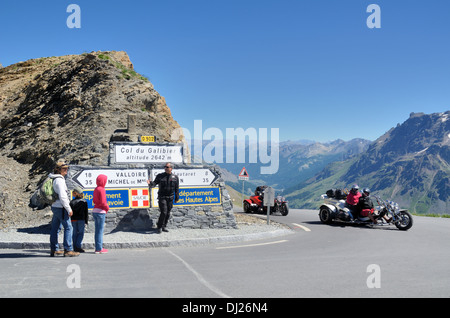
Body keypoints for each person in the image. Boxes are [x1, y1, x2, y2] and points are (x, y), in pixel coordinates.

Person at [49, 161, 79, 257]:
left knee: (55, 228)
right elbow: (63, 196)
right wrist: (69, 209)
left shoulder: (54, 179)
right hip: (61, 207)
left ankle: (54, 249)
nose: (66, 170)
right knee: (68, 227)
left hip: (55, 206)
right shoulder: (60, 180)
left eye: (67, 168)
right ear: (58, 170)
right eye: (64, 169)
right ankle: (68, 249)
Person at [147, 163, 179, 233]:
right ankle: (159, 226)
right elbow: (154, 184)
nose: (165, 168)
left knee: (168, 212)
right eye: (165, 167)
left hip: (170, 197)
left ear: (171, 168)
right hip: (162, 197)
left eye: (167, 167)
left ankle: (164, 226)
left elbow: (177, 188)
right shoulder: (160, 176)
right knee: (164, 212)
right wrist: (150, 183)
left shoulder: (175, 177)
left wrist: (177, 198)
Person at [92, 174, 109, 254]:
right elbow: (103, 202)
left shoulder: (96, 189)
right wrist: (107, 208)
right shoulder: (102, 189)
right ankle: (99, 249)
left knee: (97, 230)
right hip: (100, 211)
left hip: (95, 210)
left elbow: (94, 200)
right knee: (100, 231)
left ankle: (97, 247)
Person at [70, 187, 88, 253]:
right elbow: (86, 213)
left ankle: (74, 246)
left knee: (74, 233)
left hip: (73, 220)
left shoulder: (71, 202)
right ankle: (78, 246)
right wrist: (86, 221)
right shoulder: (84, 202)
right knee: (80, 233)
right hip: (81, 220)